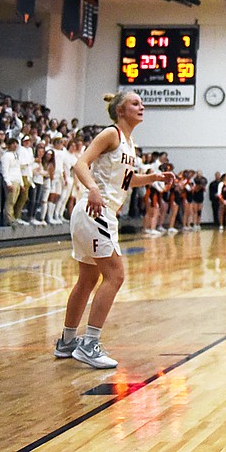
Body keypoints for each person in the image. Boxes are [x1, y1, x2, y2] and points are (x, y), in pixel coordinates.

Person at [55, 91, 173, 369]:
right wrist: (93, 189)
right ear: (120, 110)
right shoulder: (111, 134)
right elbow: (80, 164)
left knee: (87, 280)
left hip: (96, 213)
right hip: (95, 211)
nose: (141, 106)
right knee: (116, 275)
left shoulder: (129, 143)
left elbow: (125, 181)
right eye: (135, 103)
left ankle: (68, 341)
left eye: (141, 102)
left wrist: (152, 177)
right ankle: (89, 344)